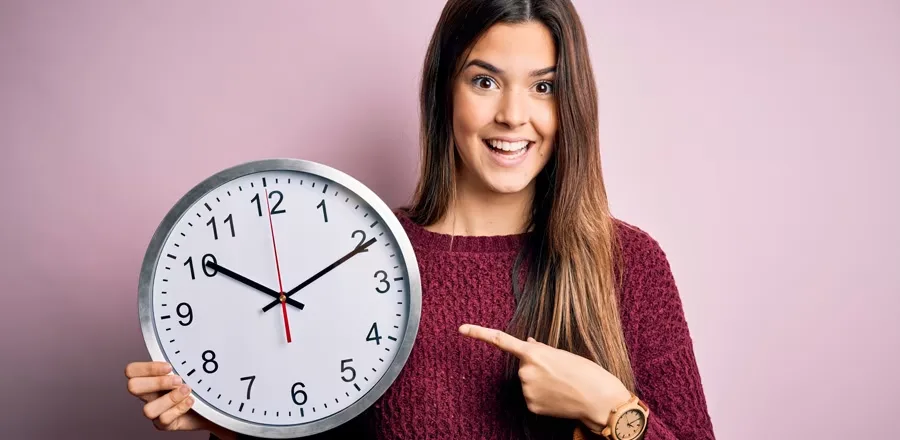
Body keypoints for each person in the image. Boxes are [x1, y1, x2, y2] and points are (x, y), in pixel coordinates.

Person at [125, 0, 716, 438]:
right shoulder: (359, 257)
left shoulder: (628, 262)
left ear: (572, 105)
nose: (514, 115)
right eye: (484, 81)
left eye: (544, 87)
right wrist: (235, 426)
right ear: (443, 92)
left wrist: (610, 408)